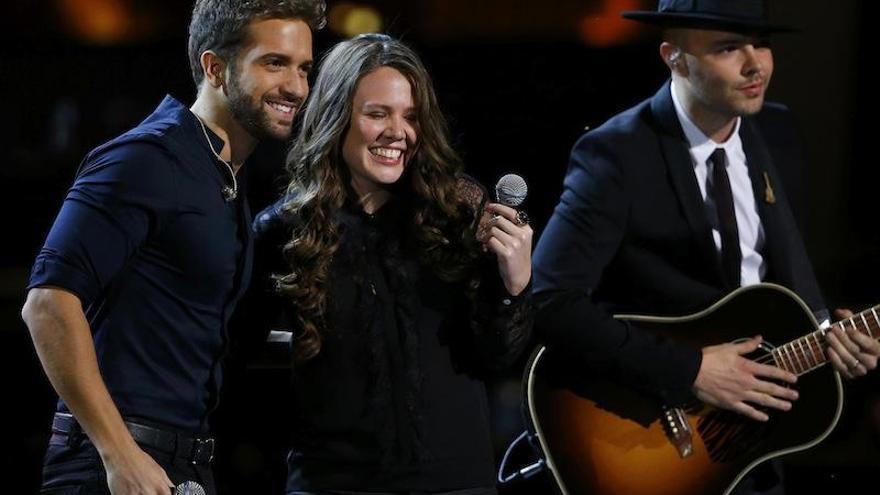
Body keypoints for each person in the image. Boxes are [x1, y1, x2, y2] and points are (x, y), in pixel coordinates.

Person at [532, 0, 880, 492]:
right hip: (653, 440)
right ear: (674, 57)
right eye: (728, 48)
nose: (755, 63)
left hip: (754, 446)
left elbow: (783, 285)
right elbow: (549, 301)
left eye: (761, 44)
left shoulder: (778, 133)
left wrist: (834, 338)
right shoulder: (616, 154)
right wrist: (690, 370)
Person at [20, 1, 325, 493]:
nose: (297, 87)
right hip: (112, 466)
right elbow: (48, 303)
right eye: (275, 63)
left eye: (303, 68)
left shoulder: (224, 175)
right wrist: (120, 454)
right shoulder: (147, 158)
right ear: (215, 68)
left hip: (181, 464)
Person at [253, 33, 533, 494]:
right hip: (333, 484)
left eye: (410, 116)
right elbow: (248, 369)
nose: (397, 132)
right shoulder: (284, 231)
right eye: (377, 114)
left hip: (454, 483)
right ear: (337, 117)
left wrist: (515, 283)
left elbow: (499, 356)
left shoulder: (458, 213)